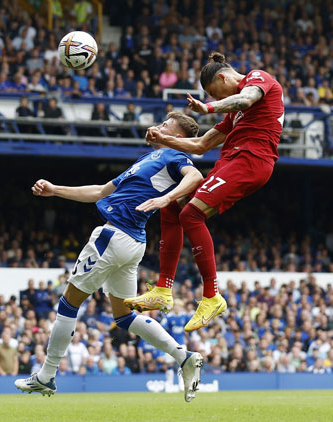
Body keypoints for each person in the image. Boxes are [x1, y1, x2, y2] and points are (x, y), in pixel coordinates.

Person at [14, 112, 206, 402]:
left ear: (178, 137)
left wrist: (166, 199)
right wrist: (55, 190)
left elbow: (195, 175)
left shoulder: (172, 156)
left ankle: (47, 376)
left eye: (166, 125)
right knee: (125, 316)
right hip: (132, 242)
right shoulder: (147, 160)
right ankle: (184, 357)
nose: (159, 126)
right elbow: (100, 192)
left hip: (113, 236)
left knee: (68, 303)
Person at [124, 51, 284, 332]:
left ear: (222, 77)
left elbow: (246, 98)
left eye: (213, 92)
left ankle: (211, 296)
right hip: (232, 161)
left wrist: (209, 108)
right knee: (173, 205)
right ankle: (163, 291)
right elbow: (200, 146)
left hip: (251, 160)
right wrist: (164, 138)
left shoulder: (259, 79)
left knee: (192, 214)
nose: (214, 98)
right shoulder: (235, 114)